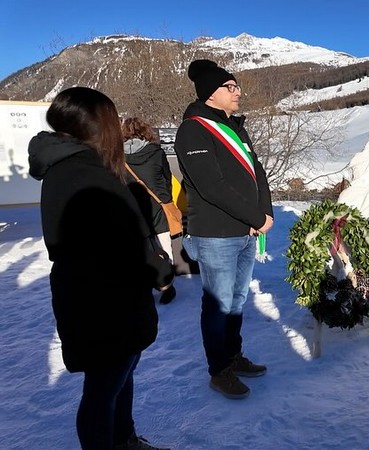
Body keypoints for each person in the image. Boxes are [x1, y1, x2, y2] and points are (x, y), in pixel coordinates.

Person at [28, 87, 173, 450]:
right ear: (97, 125)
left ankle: (124, 439)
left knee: (117, 380)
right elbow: (115, 242)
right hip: (104, 302)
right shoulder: (81, 170)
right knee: (101, 392)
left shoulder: (73, 165)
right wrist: (156, 269)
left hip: (99, 297)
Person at [174, 60, 274, 399]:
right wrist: (255, 216)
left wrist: (265, 212)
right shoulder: (193, 130)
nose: (238, 92)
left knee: (237, 299)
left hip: (246, 231)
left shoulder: (235, 126)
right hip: (217, 233)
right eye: (230, 87)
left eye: (237, 86)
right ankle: (219, 369)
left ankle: (233, 356)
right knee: (218, 303)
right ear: (210, 94)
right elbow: (212, 186)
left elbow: (257, 173)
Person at [122, 117, 178, 304]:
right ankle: (168, 286)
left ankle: (146, 283)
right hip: (159, 206)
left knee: (145, 249)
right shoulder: (156, 152)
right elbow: (167, 178)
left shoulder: (119, 158)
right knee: (164, 247)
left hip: (135, 209)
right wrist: (166, 198)